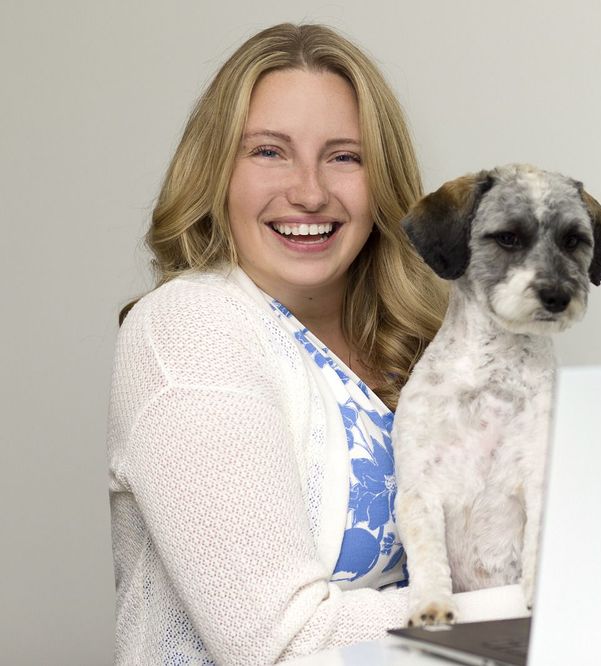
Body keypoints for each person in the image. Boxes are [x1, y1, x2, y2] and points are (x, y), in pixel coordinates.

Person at [107, 23, 522, 665]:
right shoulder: (189, 327)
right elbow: (279, 645)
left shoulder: (421, 342)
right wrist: (537, 601)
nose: (309, 192)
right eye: (269, 152)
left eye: (344, 157)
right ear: (216, 173)